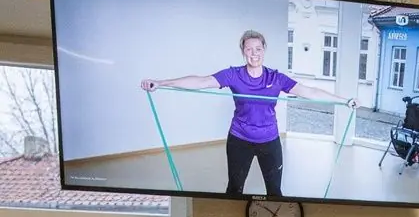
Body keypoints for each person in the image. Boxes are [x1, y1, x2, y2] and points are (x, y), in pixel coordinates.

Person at [141, 29, 356, 198]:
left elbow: (309, 91)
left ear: (264, 50)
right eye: (249, 49)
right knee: (234, 190)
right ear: (243, 51)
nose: (254, 53)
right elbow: (201, 80)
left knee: (274, 192)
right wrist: (160, 83)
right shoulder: (233, 75)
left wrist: (344, 101)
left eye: (258, 49)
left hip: (269, 141)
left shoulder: (276, 78)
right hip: (239, 140)